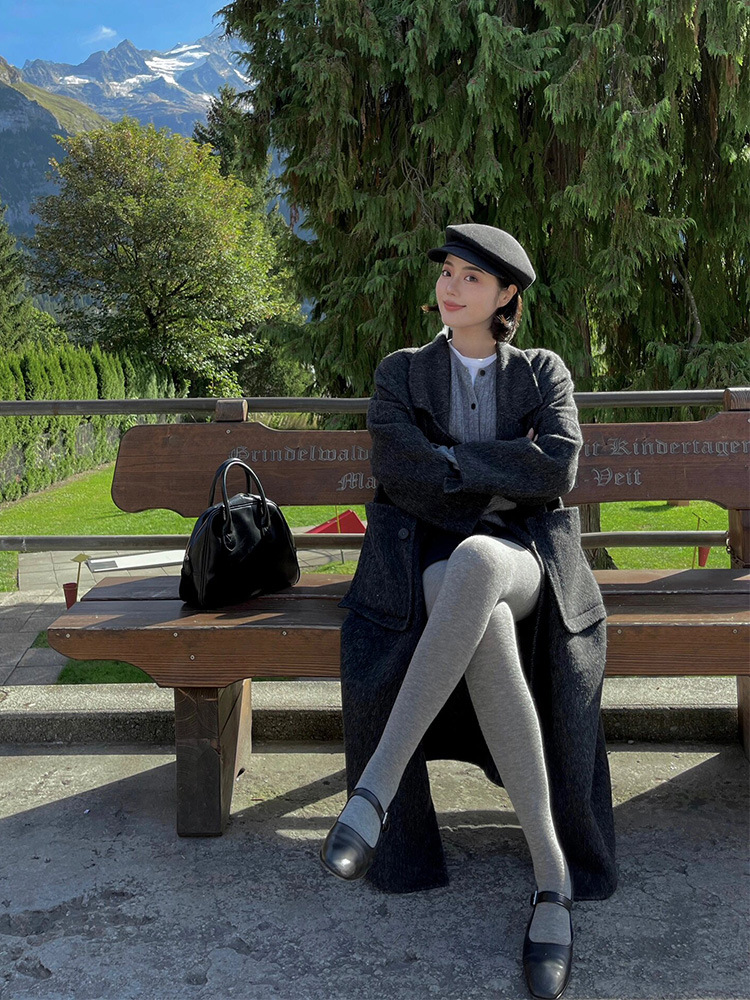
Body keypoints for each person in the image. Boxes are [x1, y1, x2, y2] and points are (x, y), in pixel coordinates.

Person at [320, 224, 617, 999]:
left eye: (471, 278)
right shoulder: (402, 372)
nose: (450, 288)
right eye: (448, 272)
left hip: (525, 558)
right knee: (475, 608)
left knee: (482, 564)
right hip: (425, 559)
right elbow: (399, 470)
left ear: (507, 294)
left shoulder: (543, 370)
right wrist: (503, 467)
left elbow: (559, 465)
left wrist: (450, 460)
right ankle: (551, 884)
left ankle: (374, 790)